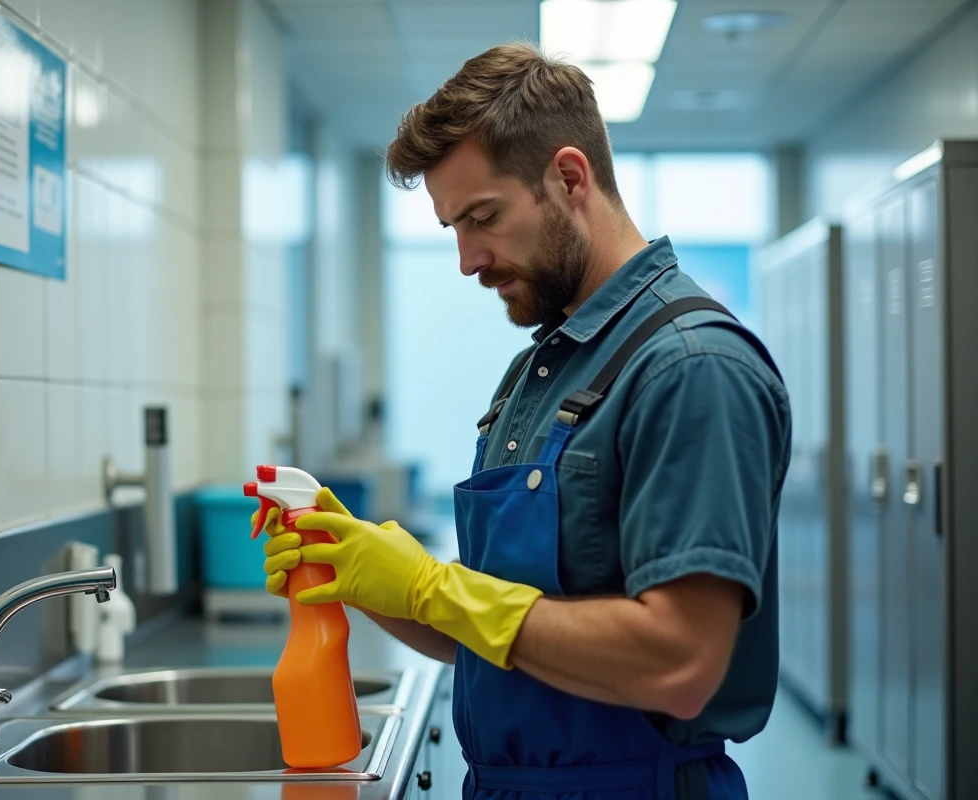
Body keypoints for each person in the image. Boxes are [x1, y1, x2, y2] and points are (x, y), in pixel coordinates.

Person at [256, 42, 791, 800]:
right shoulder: (545, 367)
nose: (469, 260)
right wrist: (363, 572)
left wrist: (433, 587)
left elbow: (681, 663)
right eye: (453, 228)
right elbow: (494, 631)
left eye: (484, 217)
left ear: (569, 177)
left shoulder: (689, 368)